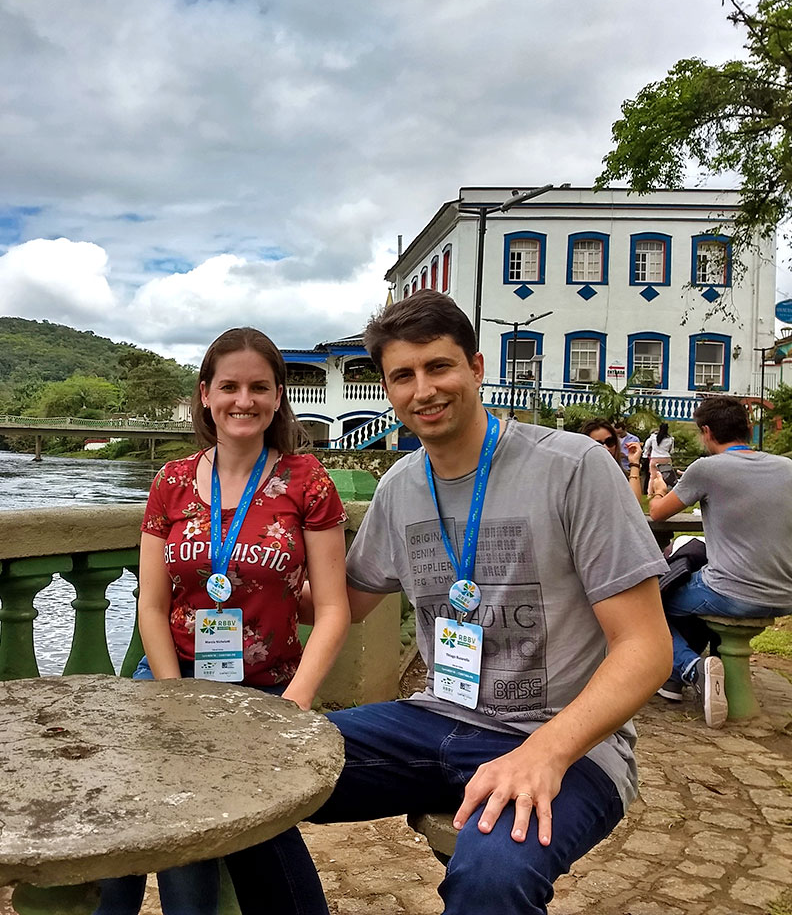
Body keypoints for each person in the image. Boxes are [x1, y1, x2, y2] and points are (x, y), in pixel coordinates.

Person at [224, 291, 671, 915]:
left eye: (439, 367)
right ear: (387, 389)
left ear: (477, 368)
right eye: (402, 376)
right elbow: (342, 604)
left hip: (561, 737)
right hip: (436, 717)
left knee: (491, 880)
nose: (423, 390)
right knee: (244, 780)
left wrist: (545, 753)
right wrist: (241, 572)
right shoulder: (400, 486)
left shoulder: (574, 467)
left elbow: (646, 649)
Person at [95, 327, 351, 915]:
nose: (244, 400)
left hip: (266, 689)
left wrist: (295, 704)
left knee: (212, 826)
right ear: (205, 394)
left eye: (259, 387)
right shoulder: (173, 481)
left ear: (279, 396)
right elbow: (153, 606)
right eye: (229, 386)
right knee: (132, 814)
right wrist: (172, 693)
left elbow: (333, 608)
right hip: (171, 673)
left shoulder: (306, 482)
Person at [648, 395, 792, 728]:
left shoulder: (707, 469)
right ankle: (675, 680)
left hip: (731, 592)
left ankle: (692, 669)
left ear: (706, 432)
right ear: (747, 428)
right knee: (688, 584)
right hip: (784, 593)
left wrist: (658, 488)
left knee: (647, 606)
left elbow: (659, 513)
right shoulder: (787, 467)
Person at [580, 417, 642, 501]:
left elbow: (634, 506)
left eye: (610, 441)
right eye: (597, 444)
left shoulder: (620, 474)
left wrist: (634, 463)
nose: (606, 447)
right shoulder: (580, 477)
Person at [643, 422, 677, 490]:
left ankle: (650, 493)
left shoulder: (653, 437)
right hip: (666, 458)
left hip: (655, 458)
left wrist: (645, 454)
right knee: (666, 476)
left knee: (652, 477)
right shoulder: (671, 439)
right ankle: (664, 490)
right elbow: (671, 451)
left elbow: (647, 445)